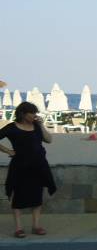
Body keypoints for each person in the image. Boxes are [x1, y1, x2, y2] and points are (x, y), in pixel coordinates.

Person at [0, 101, 56, 238]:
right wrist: (8, 151)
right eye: (32, 113)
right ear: (23, 114)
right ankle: (19, 228)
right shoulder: (12, 127)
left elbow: (49, 140)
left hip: (39, 165)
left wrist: (41, 125)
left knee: (37, 195)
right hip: (20, 166)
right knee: (18, 196)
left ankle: (36, 226)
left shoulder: (36, 126)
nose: (34, 115)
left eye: (35, 113)